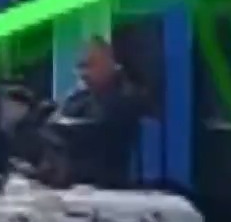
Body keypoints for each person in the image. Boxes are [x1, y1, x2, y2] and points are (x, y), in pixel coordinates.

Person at [41, 36, 151, 187]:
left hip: (111, 184)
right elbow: (56, 120)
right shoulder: (79, 97)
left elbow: (102, 129)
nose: (83, 73)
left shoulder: (127, 94)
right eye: (80, 67)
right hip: (72, 184)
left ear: (108, 62)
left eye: (89, 65)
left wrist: (62, 128)